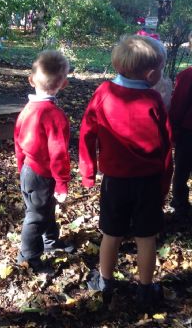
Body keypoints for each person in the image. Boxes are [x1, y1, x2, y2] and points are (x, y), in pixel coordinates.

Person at [79, 35, 173, 308]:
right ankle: (145, 289)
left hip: (115, 182)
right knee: (147, 236)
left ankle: (105, 281)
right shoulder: (153, 100)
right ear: (151, 74)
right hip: (148, 182)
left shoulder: (104, 93)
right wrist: (164, 184)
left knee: (111, 233)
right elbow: (167, 146)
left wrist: (88, 172)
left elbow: (87, 133)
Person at [14, 50, 74, 273]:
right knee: (36, 215)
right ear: (64, 84)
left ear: (31, 80)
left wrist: (21, 166)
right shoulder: (55, 116)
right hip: (41, 174)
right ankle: (28, 256)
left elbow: (18, 140)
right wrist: (61, 183)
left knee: (46, 208)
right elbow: (58, 153)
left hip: (28, 170)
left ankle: (50, 241)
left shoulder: (27, 110)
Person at [169, 57, 192, 223]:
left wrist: (173, 129)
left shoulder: (187, 75)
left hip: (188, 133)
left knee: (182, 170)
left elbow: (179, 104)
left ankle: (180, 205)